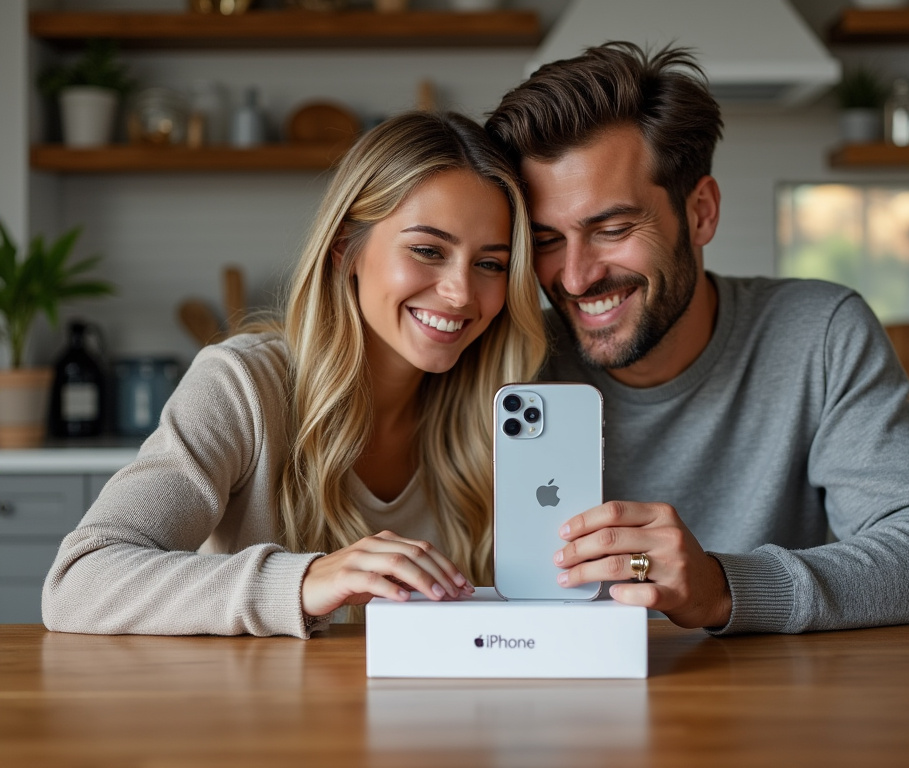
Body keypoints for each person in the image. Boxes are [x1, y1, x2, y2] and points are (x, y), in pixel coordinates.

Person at [485, 42, 909, 635]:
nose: (574, 277)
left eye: (612, 229)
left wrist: (725, 586)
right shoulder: (508, 357)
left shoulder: (817, 333)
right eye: (546, 240)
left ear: (700, 213)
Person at [42, 111, 546, 638]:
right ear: (344, 250)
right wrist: (303, 580)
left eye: (490, 264)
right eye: (427, 251)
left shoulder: (509, 407)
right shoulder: (243, 385)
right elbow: (77, 582)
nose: (462, 293)